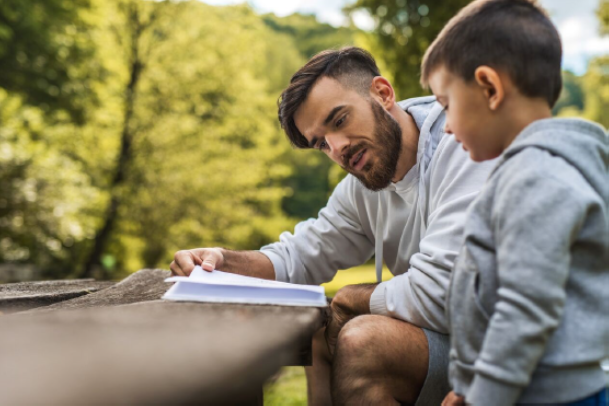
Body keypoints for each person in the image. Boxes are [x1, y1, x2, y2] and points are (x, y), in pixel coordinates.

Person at [171, 47, 495, 405]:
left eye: (339, 120)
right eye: (321, 143)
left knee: (363, 340)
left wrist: (350, 298)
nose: (337, 149)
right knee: (319, 330)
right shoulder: (363, 186)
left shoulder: (464, 144)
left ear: (383, 93)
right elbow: (301, 256)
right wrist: (218, 261)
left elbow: (442, 294)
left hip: (501, 351)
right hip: (448, 341)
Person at [420, 1, 609, 405]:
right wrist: (469, 387)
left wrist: (484, 396)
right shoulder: (533, 171)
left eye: (446, 104)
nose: (447, 127)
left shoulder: (535, 176)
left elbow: (525, 308)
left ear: (489, 88)